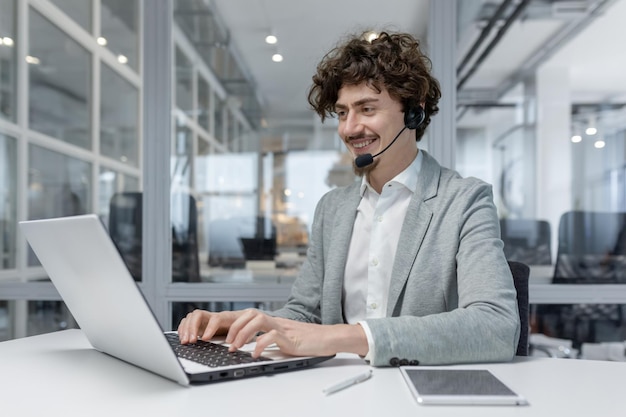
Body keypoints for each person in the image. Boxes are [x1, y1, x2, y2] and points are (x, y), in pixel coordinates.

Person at [178, 30, 520, 366]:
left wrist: (347, 337)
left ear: (413, 112)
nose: (349, 128)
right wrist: (247, 325)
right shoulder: (333, 208)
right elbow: (304, 315)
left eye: (367, 109)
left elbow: (496, 326)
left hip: (424, 394)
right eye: (342, 113)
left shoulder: (463, 201)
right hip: (338, 390)